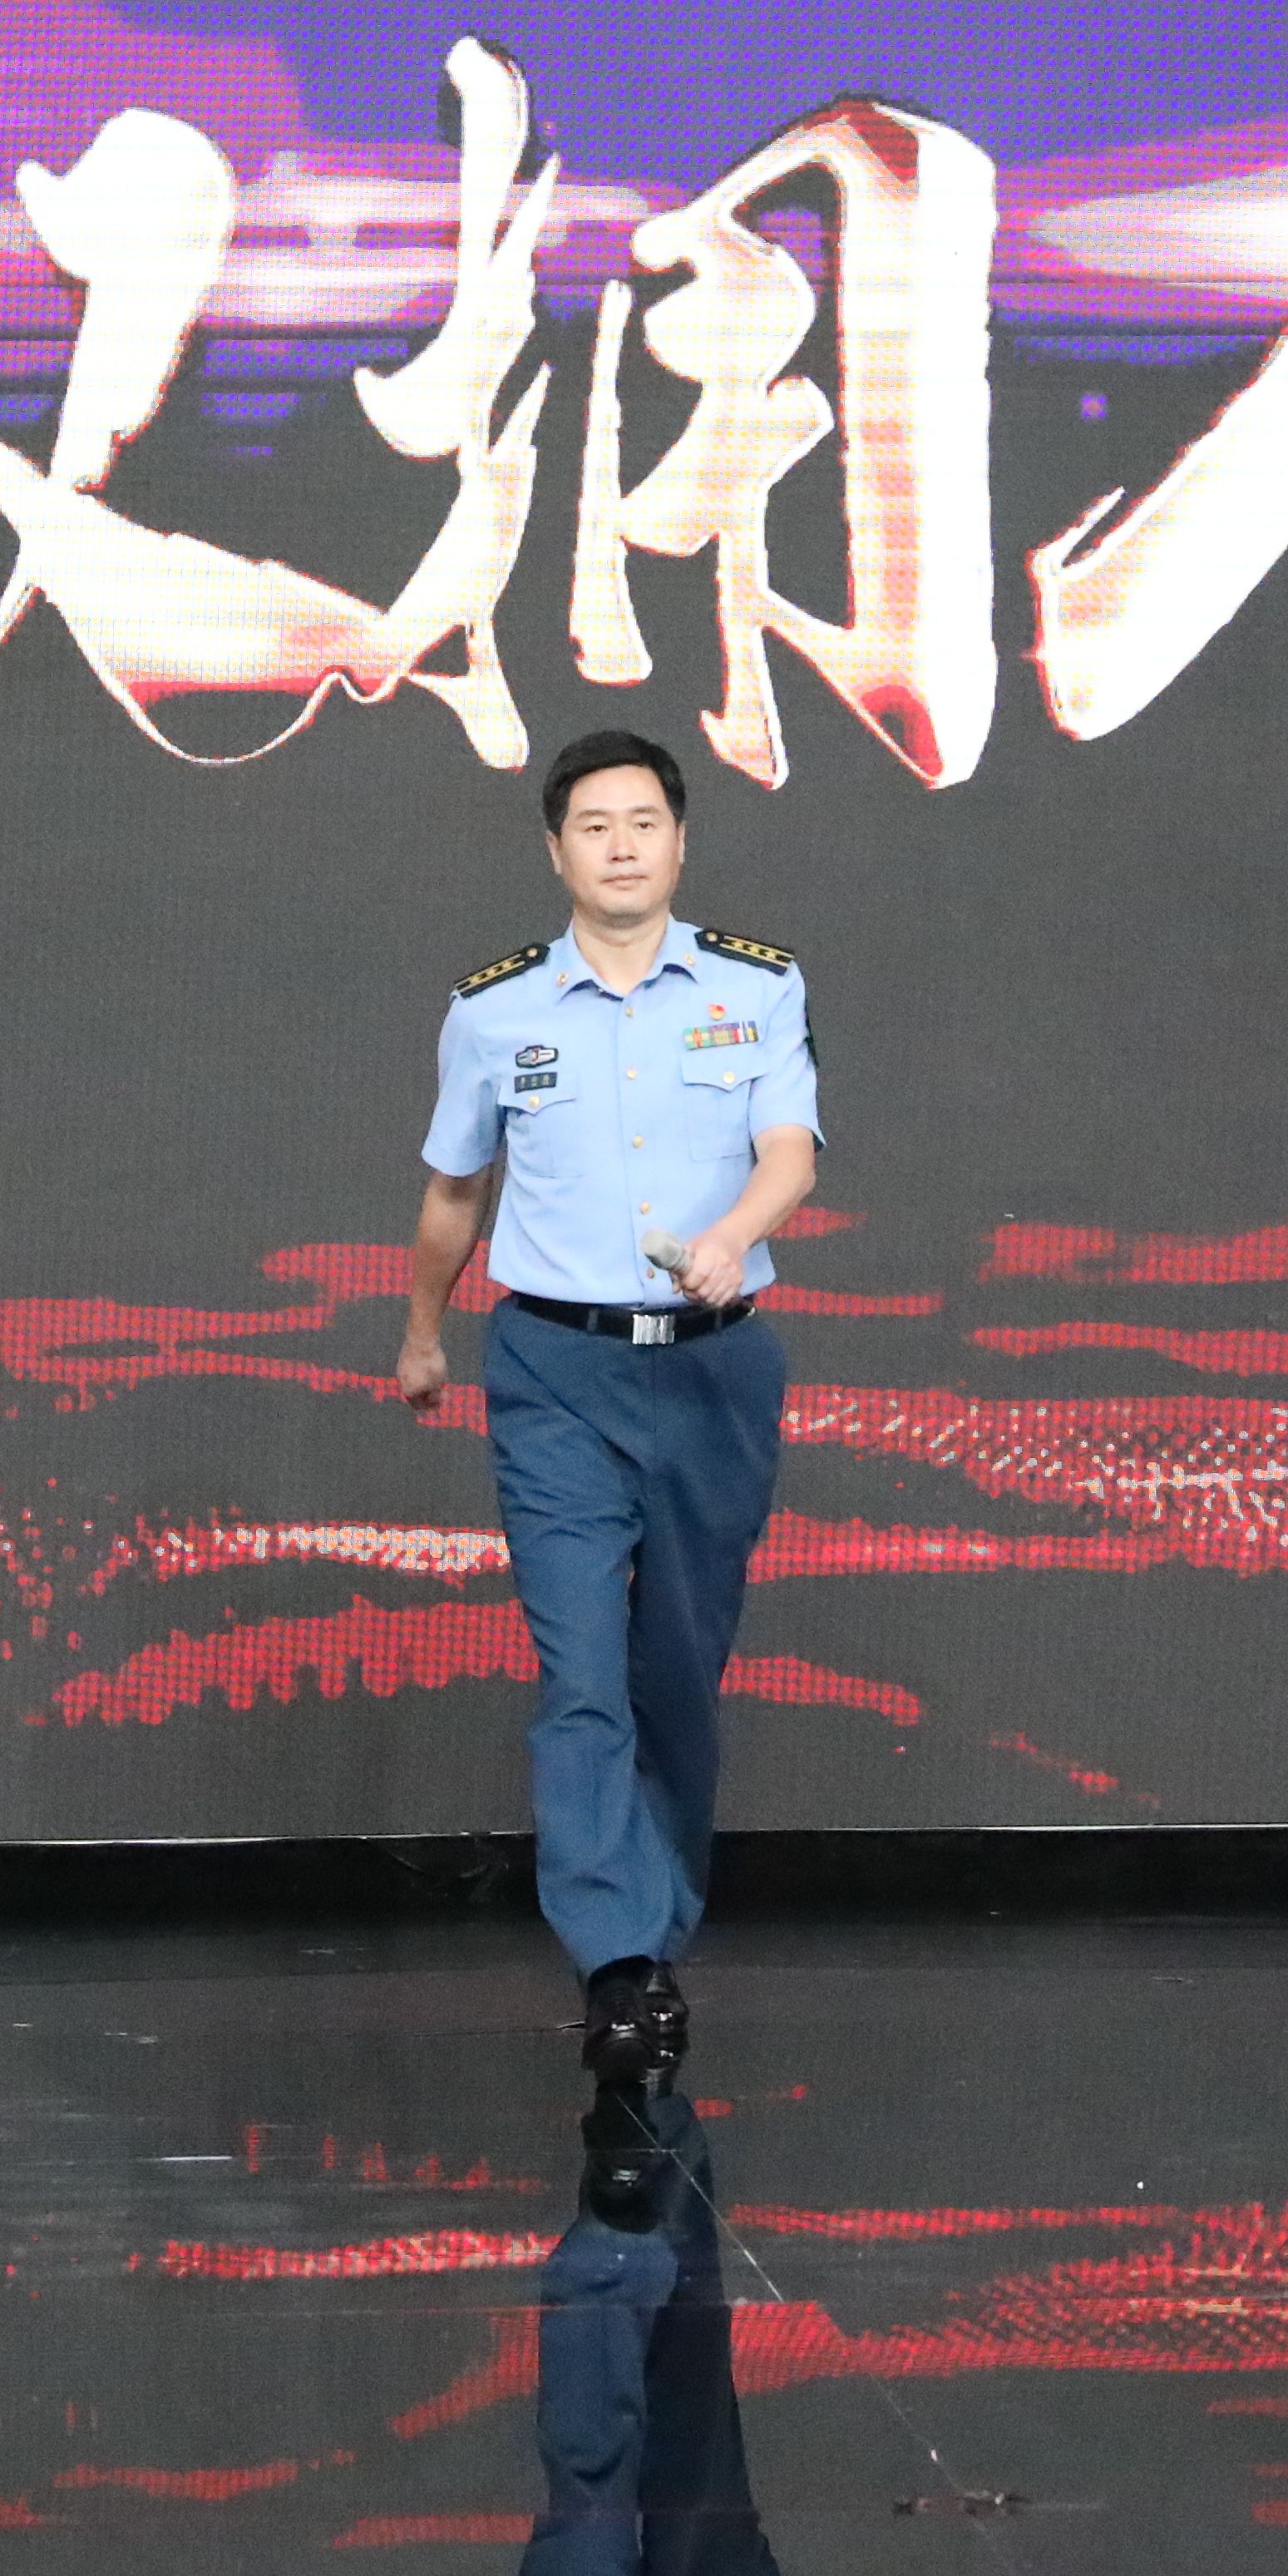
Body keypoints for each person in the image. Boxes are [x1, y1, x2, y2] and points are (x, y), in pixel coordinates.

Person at [397, 728, 817, 2094]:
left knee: (675, 1671)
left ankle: (656, 1922)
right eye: (594, 825)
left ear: (681, 841)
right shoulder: (493, 1011)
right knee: (581, 1670)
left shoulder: (759, 985)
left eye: (644, 821)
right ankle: (618, 1963)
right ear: (556, 850)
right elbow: (455, 1189)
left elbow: (790, 1150)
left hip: (713, 1369)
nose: (622, 845)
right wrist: (422, 1333)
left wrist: (731, 1235)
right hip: (555, 1372)